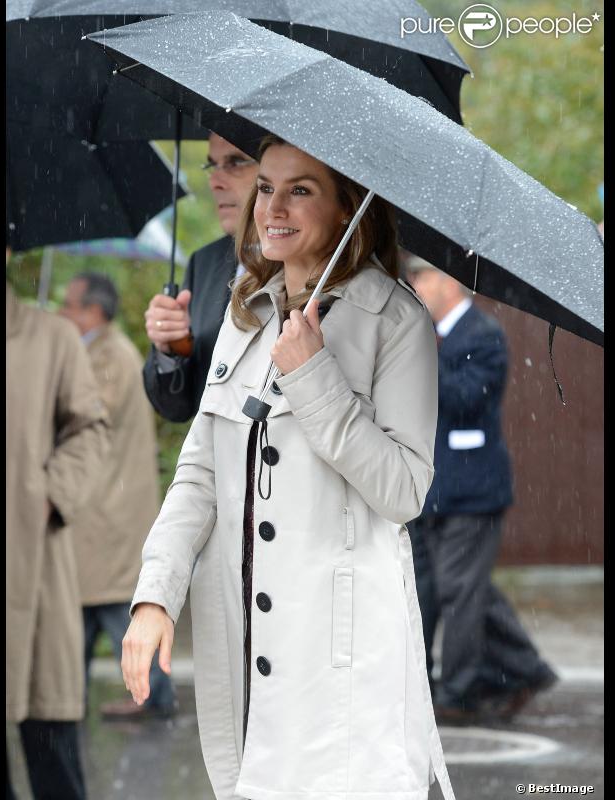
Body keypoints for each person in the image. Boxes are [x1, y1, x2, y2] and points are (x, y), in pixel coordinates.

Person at [119, 136, 456, 800]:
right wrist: (155, 597)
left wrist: (316, 377)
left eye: (301, 189)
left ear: (345, 209)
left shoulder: (395, 321)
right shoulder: (246, 315)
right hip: (243, 649)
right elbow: (199, 477)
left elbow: (405, 490)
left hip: (342, 663)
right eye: (267, 187)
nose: (272, 205)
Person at [406, 256, 558, 722]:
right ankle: (509, 671)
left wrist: (421, 355)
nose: (415, 286)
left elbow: (469, 399)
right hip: (429, 489)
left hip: (473, 491)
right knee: (437, 588)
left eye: (422, 276)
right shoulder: (431, 337)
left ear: (448, 282)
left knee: (461, 589)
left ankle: (459, 691)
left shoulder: (481, 333)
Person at [6, 275, 109, 800]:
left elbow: (91, 429)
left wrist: (46, 495)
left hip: (31, 567)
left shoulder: (49, 338)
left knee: (50, 743)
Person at [59, 273, 176, 720]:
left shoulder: (108, 356)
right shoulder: (98, 351)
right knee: (89, 611)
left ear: (92, 311)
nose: (62, 314)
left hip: (110, 510)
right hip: (100, 510)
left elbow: (85, 414)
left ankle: (151, 697)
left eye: (69, 305)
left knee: (116, 608)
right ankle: (70, 702)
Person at [143, 132, 258, 422]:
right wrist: (173, 347)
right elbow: (177, 407)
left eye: (234, 162)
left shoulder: (315, 268)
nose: (214, 181)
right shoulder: (204, 263)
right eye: (212, 166)